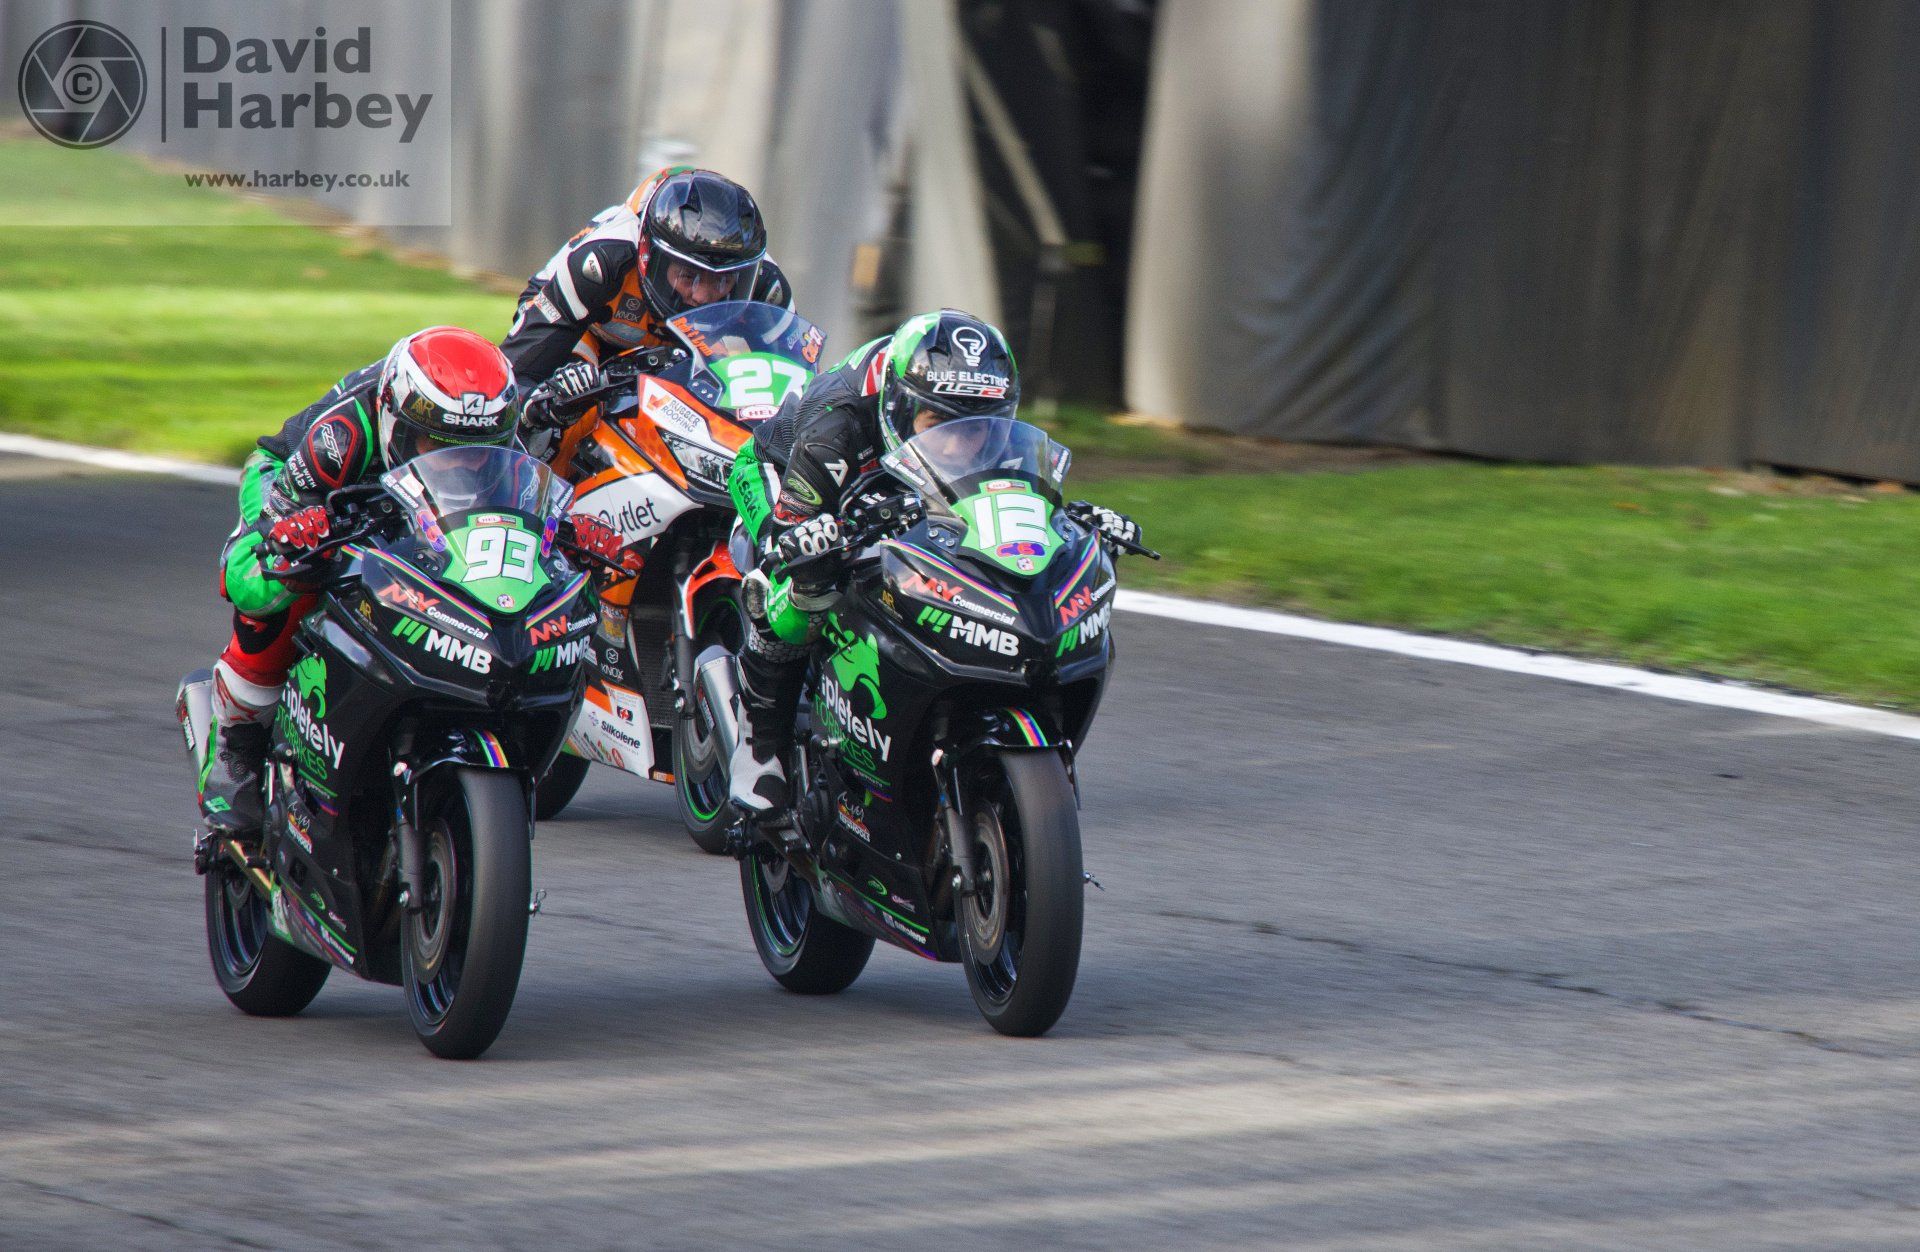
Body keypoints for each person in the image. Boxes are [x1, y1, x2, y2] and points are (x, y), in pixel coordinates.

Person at [197, 326, 626, 837]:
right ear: (395, 423)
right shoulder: (337, 441)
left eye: (478, 450)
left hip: (420, 500)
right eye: (435, 445)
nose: (461, 461)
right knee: (273, 582)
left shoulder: (497, 424)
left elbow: (524, 510)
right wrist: (295, 535)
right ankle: (237, 740)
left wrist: (570, 535)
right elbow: (241, 573)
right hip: (306, 488)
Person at [722, 309, 1143, 813]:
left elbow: (1010, 505)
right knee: (796, 583)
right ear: (900, 409)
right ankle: (759, 745)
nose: (961, 442)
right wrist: (805, 542)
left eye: (978, 425)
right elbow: (794, 527)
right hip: (783, 474)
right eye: (940, 423)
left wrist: (1069, 522)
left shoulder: (986, 428)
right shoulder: (838, 425)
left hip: (898, 476)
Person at [502, 166, 794, 458]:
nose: (704, 296)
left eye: (723, 280)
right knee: (574, 405)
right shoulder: (602, 262)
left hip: (684, 350)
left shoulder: (768, 289)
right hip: (586, 329)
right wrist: (539, 406)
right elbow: (513, 376)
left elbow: (790, 399)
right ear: (647, 256)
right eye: (688, 276)